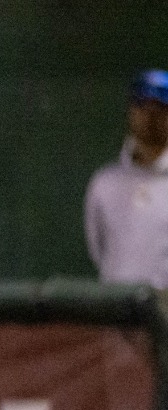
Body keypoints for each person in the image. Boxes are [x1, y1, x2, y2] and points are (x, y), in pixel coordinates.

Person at [85, 69, 168, 288]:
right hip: (116, 313)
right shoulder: (105, 183)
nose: (151, 116)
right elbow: (98, 249)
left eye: (160, 108)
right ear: (131, 111)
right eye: (142, 106)